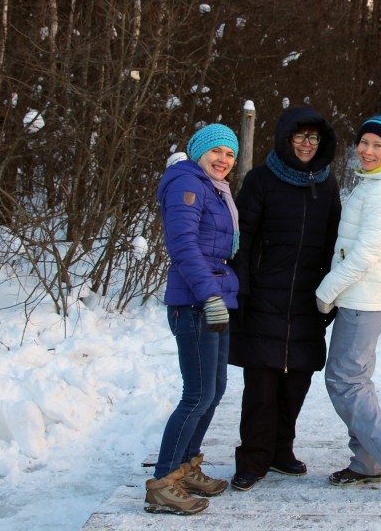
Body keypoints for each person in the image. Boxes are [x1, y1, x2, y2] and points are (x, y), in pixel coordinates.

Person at [229, 106, 341, 492]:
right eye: (299, 137)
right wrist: (241, 290)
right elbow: (240, 240)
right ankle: (253, 459)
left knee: (296, 383)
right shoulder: (260, 180)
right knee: (261, 385)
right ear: (285, 139)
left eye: (313, 137)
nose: (307, 144)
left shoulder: (327, 184)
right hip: (264, 297)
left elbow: (333, 243)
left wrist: (332, 294)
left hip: (308, 301)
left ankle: (281, 451)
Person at [314, 113, 381, 496]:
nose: (368, 150)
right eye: (364, 142)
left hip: (364, 299)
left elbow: (364, 256)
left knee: (343, 380)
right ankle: (368, 461)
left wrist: (326, 292)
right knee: (356, 380)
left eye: (378, 145)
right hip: (365, 297)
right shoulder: (375, 183)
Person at [145, 123, 241, 515]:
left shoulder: (213, 189)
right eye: (216, 151)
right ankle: (163, 482)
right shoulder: (187, 184)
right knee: (196, 395)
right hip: (196, 302)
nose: (223, 160)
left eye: (230, 154)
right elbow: (182, 245)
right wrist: (209, 296)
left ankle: (186, 467)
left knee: (213, 390)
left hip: (213, 299)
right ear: (199, 152)